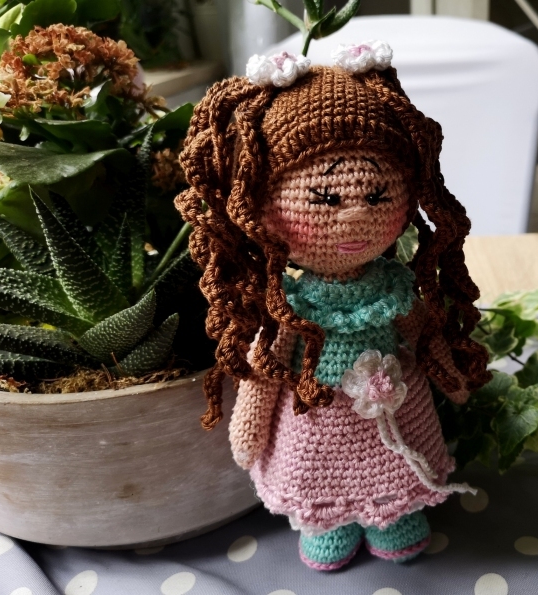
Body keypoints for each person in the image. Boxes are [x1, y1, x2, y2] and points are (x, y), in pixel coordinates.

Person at [176, 41, 491, 571]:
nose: (354, 217)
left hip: (396, 414)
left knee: (397, 465)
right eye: (325, 199)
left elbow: (425, 334)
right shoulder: (290, 305)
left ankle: (392, 516)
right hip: (316, 423)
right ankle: (330, 521)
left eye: (378, 196)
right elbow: (266, 367)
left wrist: (452, 375)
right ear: (261, 209)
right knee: (320, 476)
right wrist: (250, 427)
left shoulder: (397, 290)